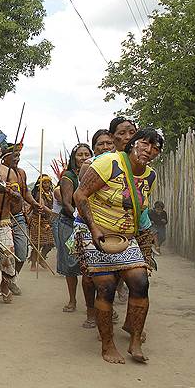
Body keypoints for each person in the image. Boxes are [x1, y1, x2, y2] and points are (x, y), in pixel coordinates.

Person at [73, 128, 163, 364]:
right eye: (144, 144)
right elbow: (80, 195)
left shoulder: (150, 176)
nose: (148, 150)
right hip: (95, 234)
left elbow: (137, 208)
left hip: (125, 238)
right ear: (133, 144)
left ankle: (135, 340)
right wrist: (94, 229)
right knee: (106, 287)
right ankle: (107, 345)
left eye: (155, 147)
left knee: (140, 282)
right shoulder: (108, 164)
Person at [79, 129, 115, 328]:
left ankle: (106, 306)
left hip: (115, 225)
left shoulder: (122, 165)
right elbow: (81, 196)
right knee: (89, 273)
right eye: (100, 144)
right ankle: (91, 311)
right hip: (88, 224)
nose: (105, 147)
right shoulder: (88, 166)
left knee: (115, 272)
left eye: (109, 143)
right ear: (94, 148)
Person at [0, 142, 47, 295]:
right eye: (14, 156)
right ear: (4, 158)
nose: (17, 159)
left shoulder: (21, 173)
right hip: (2, 218)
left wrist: (34, 204)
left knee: (21, 253)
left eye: (18, 156)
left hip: (18, 217)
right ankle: (2, 284)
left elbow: (25, 192)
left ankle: (10, 279)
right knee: (3, 255)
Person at [56, 143, 93, 313]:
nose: (84, 157)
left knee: (90, 265)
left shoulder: (96, 174)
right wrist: (82, 218)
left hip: (92, 223)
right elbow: (66, 203)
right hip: (70, 223)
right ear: (74, 158)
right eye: (80, 154)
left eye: (87, 154)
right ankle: (72, 300)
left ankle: (91, 305)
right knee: (71, 265)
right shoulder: (68, 176)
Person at [28, 175, 55, 271]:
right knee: (37, 243)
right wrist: (53, 213)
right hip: (37, 220)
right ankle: (33, 263)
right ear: (40, 184)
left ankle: (41, 257)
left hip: (47, 221)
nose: (46, 184)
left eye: (48, 182)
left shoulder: (51, 193)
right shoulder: (39, 194)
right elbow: (42, 206)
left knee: (51, 243)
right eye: (44, 183)